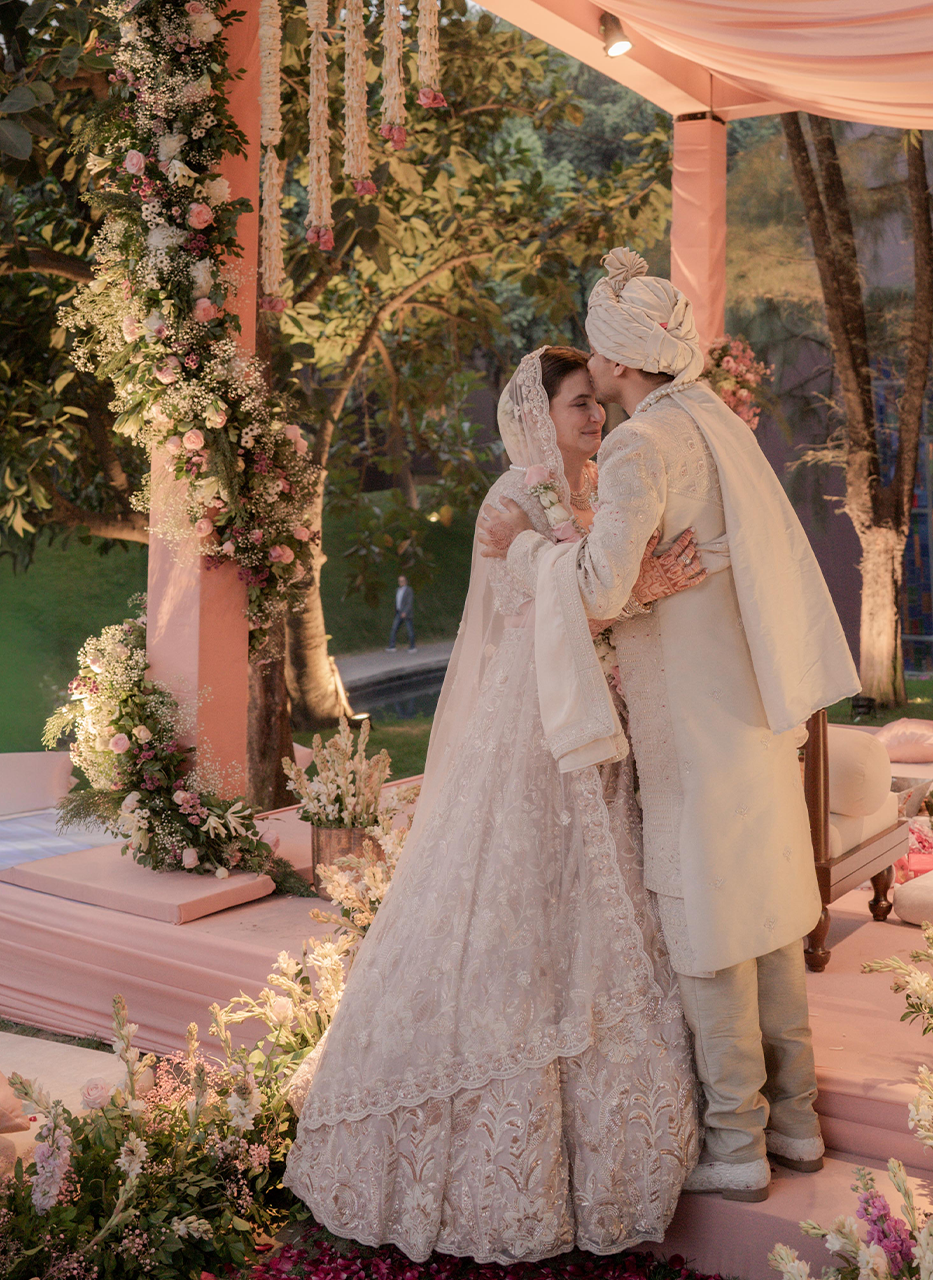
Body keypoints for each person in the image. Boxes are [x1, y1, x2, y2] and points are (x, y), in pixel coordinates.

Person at [284, 345, 706, 1261]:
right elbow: (543, 604)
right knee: (513, 898)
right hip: (531, 725)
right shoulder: (510, 500)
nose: (594, 417)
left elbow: (595, 592)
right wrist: (640, 586)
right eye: (578, 404)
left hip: (598, 717)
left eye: (596, 403)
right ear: (537, 414)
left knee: (593, 898)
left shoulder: (603, 488)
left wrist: (635, 587)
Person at [480, 250, 861, 1205]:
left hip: (691, 722)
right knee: (771, 911)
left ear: (618, 356)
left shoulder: (640, 445)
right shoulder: (715, 420)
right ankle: (797, 1123)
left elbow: (598, 587)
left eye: (597, 351)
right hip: (754, 708)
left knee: (708, 919)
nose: (594, 373)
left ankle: (736, 1143)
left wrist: (523, 551)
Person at [386, 573, 416, 653]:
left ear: (406, 581)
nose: (401, 582)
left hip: (406, 613)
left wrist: (405, 612)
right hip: (398, 612)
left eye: (402, 581)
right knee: (394, 629)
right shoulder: (397, 590)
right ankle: (392, 646)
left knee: (409, 630)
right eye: (399, 581)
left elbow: (409, 602)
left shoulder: (409, 590)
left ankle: (412, 647)